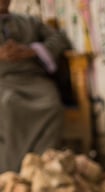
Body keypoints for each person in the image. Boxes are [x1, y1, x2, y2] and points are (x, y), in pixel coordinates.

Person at [0, 0, 71, 172]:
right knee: (9, 104)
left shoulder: (29, 21)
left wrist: (32, 50)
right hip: (3, 81)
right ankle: (10, 171)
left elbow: (59, 38)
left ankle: (41, 168)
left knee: (52, 104)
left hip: (34, 79)